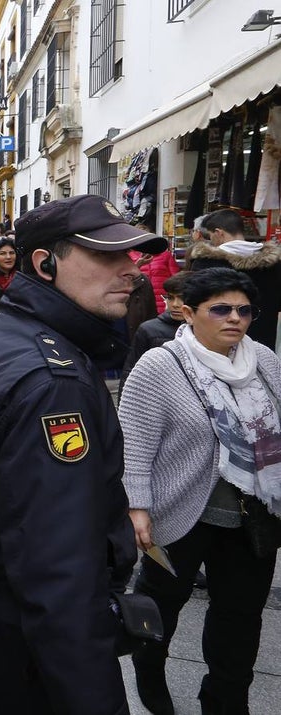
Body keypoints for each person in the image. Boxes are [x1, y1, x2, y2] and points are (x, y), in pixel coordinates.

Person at [0, 195, 169, 712]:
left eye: (131, 255)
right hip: (22, 618)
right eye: (107, 256)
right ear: (45, 263)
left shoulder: (2, 336)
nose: (131, 269)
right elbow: (57, 567)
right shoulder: (53, 382)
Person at [119, 267, 281, 715]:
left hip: (255, 515)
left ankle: (225, 700)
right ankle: (149, 672)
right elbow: (134, 442)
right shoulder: (161, 365)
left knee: (241, 618)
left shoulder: (263, 359)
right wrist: (136, 506)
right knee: (161, 606)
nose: (235, 319)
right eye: (221, 309)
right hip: (180, 512)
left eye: (244, 310)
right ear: (189, 313)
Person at [192, 208, 281, 349]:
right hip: (263, 337)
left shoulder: (206, 262)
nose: (211, 241)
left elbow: (194, 301)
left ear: (218, 233)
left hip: (218, 339)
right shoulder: (273, 263)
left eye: (211, 236)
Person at [118, 271, 189, 394]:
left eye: (182, 298)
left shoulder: (208, 329)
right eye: (170, 298)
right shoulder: (149, 330)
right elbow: (130, 372)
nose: (175, 305)